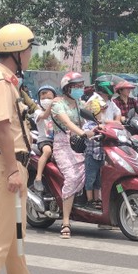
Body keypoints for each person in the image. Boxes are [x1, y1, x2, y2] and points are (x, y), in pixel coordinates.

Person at [0, 23, 53, 274]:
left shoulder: (8, 81)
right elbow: (2, 128)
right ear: (18, 52)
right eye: (29, 49)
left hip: (13, 163)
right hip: (4, 163)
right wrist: (11, 170)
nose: (31, 54)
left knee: (16, 232)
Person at [50, 71, 94, 240]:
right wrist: (83, 133)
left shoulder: (78, 103)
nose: (80, 89)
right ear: (67, 88)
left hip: (78, 144)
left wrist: (101, 127)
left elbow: (88, 120)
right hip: (62, 145)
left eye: (81, 86)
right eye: (76, 86)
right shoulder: (57, 104)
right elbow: (67, 123)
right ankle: (66, 221)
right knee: (73, 177)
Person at [83, 98, 106, 210]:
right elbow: (87, 134)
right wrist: (95, 129)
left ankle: (98, 199)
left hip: (101, 156)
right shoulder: (88, 125)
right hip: (91, 156)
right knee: (90, 179)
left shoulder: (103, 124)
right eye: (99, 112)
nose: (101, 114)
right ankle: (90, 200)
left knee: (98, 180)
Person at [33, 85, 56, 193]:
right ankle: (38, 178)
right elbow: (44, 116)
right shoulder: (37, 112)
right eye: (43, 99)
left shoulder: (58, 112)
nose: (46, 101)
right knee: (47, 151)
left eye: (49, 98)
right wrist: (51, 105)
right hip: (44, 140)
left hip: (58, 141)